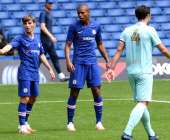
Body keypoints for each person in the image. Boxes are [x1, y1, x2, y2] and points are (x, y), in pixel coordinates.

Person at [108, 5, 170, 140]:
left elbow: (119, 50)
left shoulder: (127, 30)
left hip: (131, 72)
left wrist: (111, 68)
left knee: (141, 104)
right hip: (145, 72)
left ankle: (151, 134)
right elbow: (163, 50)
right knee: (143, 103)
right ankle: (127, 132)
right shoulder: (150, 30)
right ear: (148, 15)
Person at [0, 15, 55, 134]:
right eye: (25, 23)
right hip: (25, 72)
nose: (27, 25)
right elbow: (11, 45)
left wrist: (49, 68)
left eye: (29, 23)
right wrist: (4, 50)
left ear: (34, 24)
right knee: (25, 98)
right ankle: (22, 125)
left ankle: (26, 122)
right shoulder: (20, 38)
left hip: (35, 73)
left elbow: (41, 55)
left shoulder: (37, 41)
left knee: (33, 98)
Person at [64, 4, 110, 132]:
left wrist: (107, 59)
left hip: (92, 63)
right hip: (78, 64)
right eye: (78, 13)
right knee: (74, 92)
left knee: (96, 91)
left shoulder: (96, 26)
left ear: (88, 12)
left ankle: (99, 122)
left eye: (82, 13)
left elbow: (100, 44)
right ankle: (70, 122)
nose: (80, 15)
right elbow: (67, 45)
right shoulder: (73, 27)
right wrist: (68, 61)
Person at [39, 0, 68, 81]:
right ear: (46, 4)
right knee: (40, 59)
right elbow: (42, 27)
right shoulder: (43, 13)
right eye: (50, 3)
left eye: (52, 3)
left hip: (49, 41)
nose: (51, 5)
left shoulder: (49, 14)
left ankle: (61, 76)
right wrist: (51, 36)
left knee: (54, 57)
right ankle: (31, 74)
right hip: (45, 41)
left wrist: (51, 37)